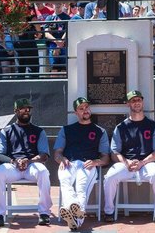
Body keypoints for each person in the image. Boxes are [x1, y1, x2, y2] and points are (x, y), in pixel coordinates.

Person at [102, 91, 155, 222]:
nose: (137, 103)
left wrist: (142, 163)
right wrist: (127, 162)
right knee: (109, 177)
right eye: (133, 100)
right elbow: (114, 153)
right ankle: (109, 211)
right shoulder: (121, 127)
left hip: (147, 163)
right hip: (126, 164)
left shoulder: (153, 126)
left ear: (142, 102)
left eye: (139, 100)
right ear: (128, 104)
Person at [0, 98, 52, 227]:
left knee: (43, 171)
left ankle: (44, 213)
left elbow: (44, 155)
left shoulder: (39, 131)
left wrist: (28, 160)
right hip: (13, 166)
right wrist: (13, 161)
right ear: (16, 110)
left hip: (31, 166)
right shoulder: (6, 131)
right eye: (23, 108)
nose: (26, 111)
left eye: (28, 109)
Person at [54, 97, 110, 231]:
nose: (85, 110)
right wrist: (61, 159)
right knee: (64, 179)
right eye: (81, 108)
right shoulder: (66, 130)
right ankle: (75, 213)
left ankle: (73, 217)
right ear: (76, 113)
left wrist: (96, 162)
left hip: (88, 165)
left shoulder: (99, 131)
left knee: (81, 186)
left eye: (86, 107)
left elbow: (106, 158)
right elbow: (57, 153)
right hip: (69, 163)